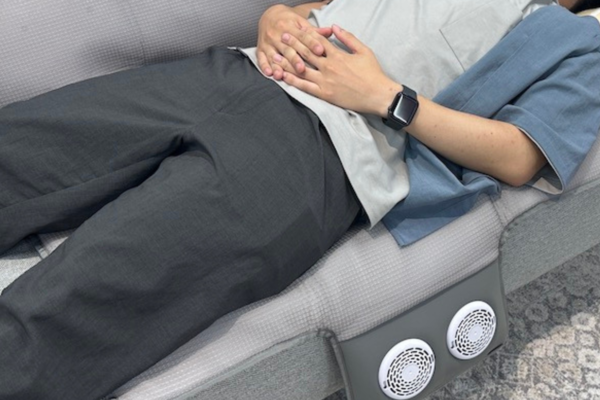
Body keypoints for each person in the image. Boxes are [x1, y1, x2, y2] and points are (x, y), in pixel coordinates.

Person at [0, 1, 598, 399]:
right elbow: (321, 9)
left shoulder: (580, 41)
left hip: (322, 154)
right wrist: (278, 17)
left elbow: (519, 154)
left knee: (82, 297)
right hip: (232, 72)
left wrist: (387, 97)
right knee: (21, 146)